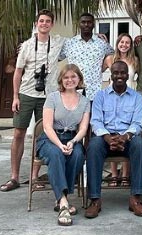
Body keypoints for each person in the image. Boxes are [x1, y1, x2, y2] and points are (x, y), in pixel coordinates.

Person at [0, 9, 66, 192]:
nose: (44, 24)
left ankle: (34, 176)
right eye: (41, 21)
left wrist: (101, 36)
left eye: (48, 21)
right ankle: (14, 176)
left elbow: (78, 44)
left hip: (48, 96)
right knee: (19, 133)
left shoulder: (59, 42)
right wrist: (15, 97)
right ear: (36, 23)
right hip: (27, 94)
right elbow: (18, 72)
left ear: (52, 25)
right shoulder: (27, 45)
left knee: (42, 135)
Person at [85, 61, 142, 218]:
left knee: (140, 144)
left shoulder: (137, 97)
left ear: (128, 75)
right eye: (116, 73)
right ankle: (95, 200)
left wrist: (125, 136)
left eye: (122, 73)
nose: (119, 76)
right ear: (111, 75)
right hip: (105, 137)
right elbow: (96, 122)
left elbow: (137, 123)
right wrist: (107, 137)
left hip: (127, 138)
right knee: (93, 146)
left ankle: (136, 198)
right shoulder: (100, 96)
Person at [36, 64, 90, 226]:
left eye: (73, 77)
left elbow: (83, 128)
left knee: (79, 154)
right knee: (56, 154)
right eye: (66, 77)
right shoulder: (53, 97)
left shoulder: (85, 101)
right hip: (50, 139)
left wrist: (73, 142)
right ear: (61, 80)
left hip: (72, 138)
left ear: (79, 79)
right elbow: (47, 126)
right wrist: (60, 145)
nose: (70, 80)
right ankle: (64, 202)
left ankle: (60, 198)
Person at [103, 33, 139, 186]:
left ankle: (125, 174)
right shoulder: (110, 59)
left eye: (127, 42)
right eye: (122, 42)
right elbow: (95, 71)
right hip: (112, 97)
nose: (124, 45)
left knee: (126, 133)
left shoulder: (134, 60)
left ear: (131, 45)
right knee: (112, 131)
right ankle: (114, 174)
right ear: (117, 43)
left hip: (130, 97)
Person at [60, 12, 114, 101]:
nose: (86, 24)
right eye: (83, 22)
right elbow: (54, 58)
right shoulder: (69, 43)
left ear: (93, 24)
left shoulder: (102, 43)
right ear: (79, 24)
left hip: (95, 94)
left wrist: (103, 67)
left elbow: (116, 56)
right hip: (74, 92)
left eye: (89, 22)